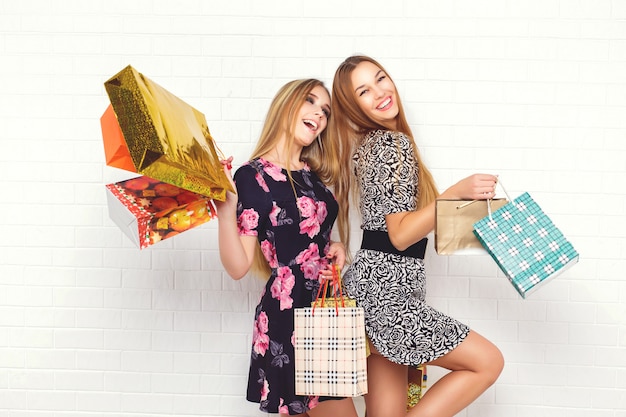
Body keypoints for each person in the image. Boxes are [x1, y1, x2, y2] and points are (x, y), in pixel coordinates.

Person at [329, 55, 504, 417]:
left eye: (380, 79)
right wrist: (453, 192)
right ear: (352, 106)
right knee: (488, 362)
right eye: (364, 91)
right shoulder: (391, 146)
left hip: (372, 292)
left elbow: (396, 228)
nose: (379, 92)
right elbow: (399, 234)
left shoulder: (369, 147)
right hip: (388, 299)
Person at [214, 79, 358, 417]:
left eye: (325, 110)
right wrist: (225, 213)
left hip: (324, 311)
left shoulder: (315, 176)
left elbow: (311, 237)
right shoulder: (252, 176)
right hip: (285, 313)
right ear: (286, 105)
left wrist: (336, 248)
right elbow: (238, 267)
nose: (319, 115)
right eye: (310, 101)